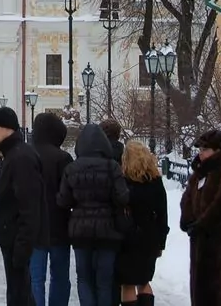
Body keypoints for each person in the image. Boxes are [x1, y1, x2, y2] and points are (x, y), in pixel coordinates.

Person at [57, 123, 130, 306]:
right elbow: (123, 197)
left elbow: (63, 201)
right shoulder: (112, 166)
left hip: (80, 230)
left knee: (84, 279)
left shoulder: (72, 168)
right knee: (104, 281)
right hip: (109, 230)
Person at [0, 106, 47, 306]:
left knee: (20, 296)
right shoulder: (14, 154)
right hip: (12, 240)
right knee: (18, 294)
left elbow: (29, 206)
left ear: (6, 129)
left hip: (17, 242)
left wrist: (22, 248)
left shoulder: (20, 157)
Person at [179, 129, 221, 306]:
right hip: (199, 243)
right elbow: (187, 200)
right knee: (201, 291)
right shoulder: (198, 174)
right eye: (200, 149)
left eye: (206, 149)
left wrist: (201, 224)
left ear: (218, 151)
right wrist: (188, 221)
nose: (201, 153)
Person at [30, 111, 73, 306]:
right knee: (60, 276)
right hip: (59, 223)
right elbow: (70, 192)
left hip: (33, 225)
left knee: (35, 278)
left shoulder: (26, 154)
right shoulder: (62, 158)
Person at [118, 140, 169, 306]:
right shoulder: (156, 182)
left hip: (128, 239)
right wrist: (161, 242)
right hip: (150, 239)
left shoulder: (124, 182)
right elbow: (163, 213)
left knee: (127, 284)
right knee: (144, 281)